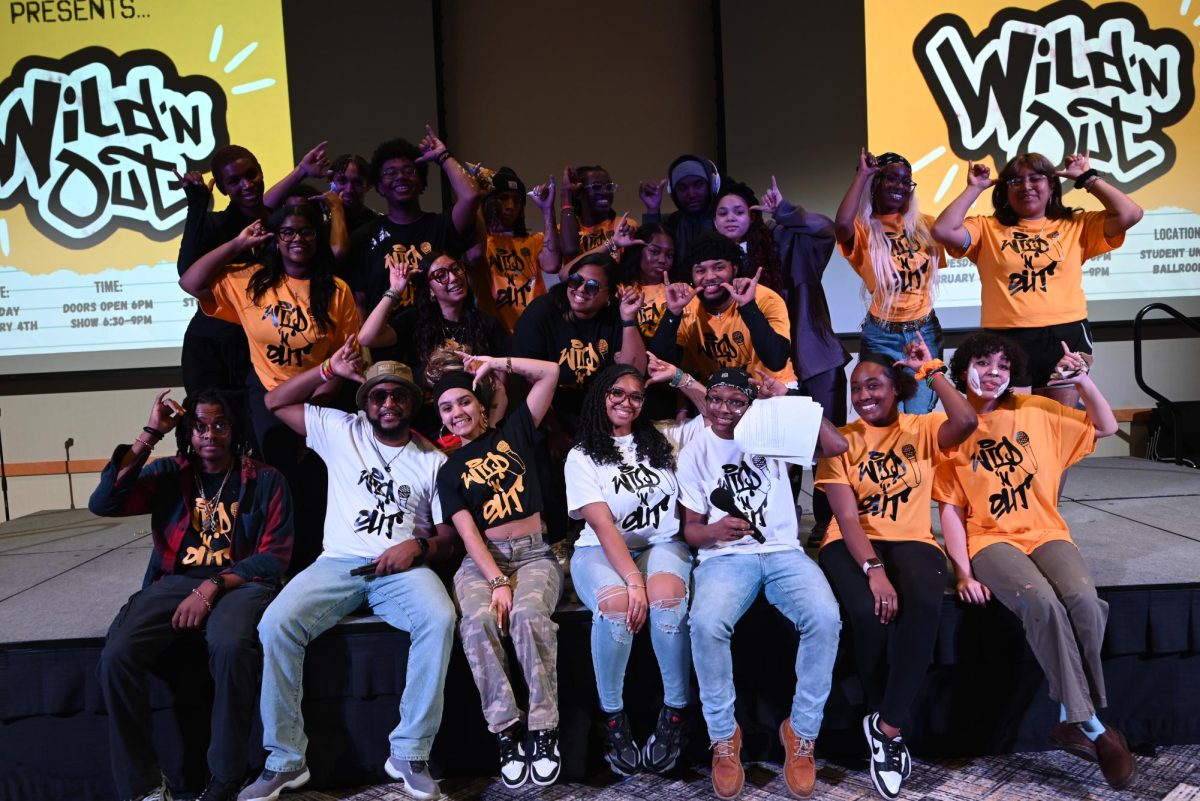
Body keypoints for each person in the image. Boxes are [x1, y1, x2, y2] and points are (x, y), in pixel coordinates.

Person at [238, 348, 458, 801]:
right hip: (337, 563)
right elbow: (274, 402)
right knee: (276, 624)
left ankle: (410, 752)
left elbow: (448, 537)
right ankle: (285, 760)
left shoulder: (432, 459)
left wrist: (417, 547)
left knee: (439, 619)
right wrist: (327, 370)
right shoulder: (343, 430)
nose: (389, 404)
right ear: (366, 403)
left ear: (413, 403)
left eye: (398, 396)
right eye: (379, 396)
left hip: (401, 571)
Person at [933, 332, 1134, 791]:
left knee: (1084, 600)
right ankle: (1095, 728)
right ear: (963, 369)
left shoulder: (1035, 412)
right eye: (982, 364)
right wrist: (963, 570)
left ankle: (1069, 716)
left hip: (1046, 532)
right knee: (1041, 604)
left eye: (1003, 367)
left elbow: (1103, 426)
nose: (992, 374)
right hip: (990, 541)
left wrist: (1083, 381)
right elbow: (949, 509)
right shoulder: (950, 427)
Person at [92, 389, 294, 801]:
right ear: (188, 431)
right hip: (173, 582)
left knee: (230, 644)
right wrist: (151, 433)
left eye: (219, 425)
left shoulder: (266, 479)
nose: (209, 434)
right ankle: (144, 787)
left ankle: (225, 777)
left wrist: (212, 586)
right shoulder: (170, 473)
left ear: (233, 429)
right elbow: (104, 501)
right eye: (200, 426)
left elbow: (273, 558)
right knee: (117, 655)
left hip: (239, 582)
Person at [814, 336, 976, 800]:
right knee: (868, 612)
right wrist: (874, 569)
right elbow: (845, 518)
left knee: (924, 605)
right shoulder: (840, 440)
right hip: (849, 543)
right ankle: (878, 716)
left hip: (912, 538)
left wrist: (933, 371)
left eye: (874, 386)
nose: (864, 396)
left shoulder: (923, 427)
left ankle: (887, 727)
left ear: (896, 388)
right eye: (857, 388)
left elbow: (966, 419)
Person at [677, 367, 847, 800]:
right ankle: (723, 737)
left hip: (781, 552)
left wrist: (787, 399)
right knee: (706, 624)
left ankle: (801, 733)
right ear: (707, 399)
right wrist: (716, 532)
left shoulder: (770, 432)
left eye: (736, 400)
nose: (724, 409)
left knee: (825, 618)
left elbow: (835, 445)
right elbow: (692, 530)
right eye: (717, 398)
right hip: (724, 556)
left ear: (749, 404)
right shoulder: (694, 450)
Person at [566, 358, 708, 776]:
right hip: (600, 549)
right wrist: (632, 581)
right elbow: (603, 525)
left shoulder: (663, 437)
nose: (627, 402)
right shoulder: (582, 455)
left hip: (662, 543)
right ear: (602, 397)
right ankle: (612, 717)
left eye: (636, 396)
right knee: (614, 609)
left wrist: (682, 377)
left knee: (667, 600)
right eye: (617, 393)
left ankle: (676, 712)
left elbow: (716, 410)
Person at [432, 353, 564, 788]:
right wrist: (495, 582)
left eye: (464, 402)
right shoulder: (448, 471)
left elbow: (550, 372)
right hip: (482, 561)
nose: (457, 413)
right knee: (478, 621)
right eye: (446, 407)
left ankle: (544, 728)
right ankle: (508, 730)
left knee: (527, 616)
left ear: (481, 404)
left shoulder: (516, 433)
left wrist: (495, 363)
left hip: (533, 555)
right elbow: (469, 535)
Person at [930, 151, 1142, 406]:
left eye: (1036, 178)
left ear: (1052, 185)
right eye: (1015, 181)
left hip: (1066, 335)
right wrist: (974, 189)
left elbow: (1131, 213)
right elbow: (942, 230)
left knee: (1061, 423)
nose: (1026, 186)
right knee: (1015, 426)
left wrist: (1087, 178)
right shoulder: (986, 228)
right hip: (1005, 338)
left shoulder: (1076, 225)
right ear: (1005, 190)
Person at [835, 150, 946, 414]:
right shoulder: (863, 229)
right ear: (876, 183)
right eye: (890, 179)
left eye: (906, 181)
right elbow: (841, 225)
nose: (899, 186)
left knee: (919, 415)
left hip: (923, 333)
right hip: (881, 336)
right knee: (879, 412)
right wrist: (862, 175)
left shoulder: (926, 225)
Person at [359, 250, 510, 440]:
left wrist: (489, 435)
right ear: (430, 290)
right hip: (426, 434)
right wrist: (396, 290)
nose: (454, 278)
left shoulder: (487, 325)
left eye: (456, 269)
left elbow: (500, 386)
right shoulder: (414, 323)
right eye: (441, 275)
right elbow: (366, 337)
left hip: (477, 430)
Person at [511, 252, 648, 438]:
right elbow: (525, 381)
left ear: (609, 295)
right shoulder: (542, 312)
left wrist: (629, 319)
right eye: (576, 280)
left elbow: (633, 374)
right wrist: (554, 433)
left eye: (592, 286)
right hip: (547, 410)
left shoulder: (617, 314)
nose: (581, 289)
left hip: (601, 412)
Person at [350, 127, 483, 317]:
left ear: (422, 181)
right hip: (387, 342)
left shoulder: (441, 225)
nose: (400, 177)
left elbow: (471, 196)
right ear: (379, 187)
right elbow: (360, 303)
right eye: (390, 172)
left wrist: (443, 156)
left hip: (441, 341)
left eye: (409, 170)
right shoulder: (364, 237)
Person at [649, 231, 797, 388]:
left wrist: (748, 307)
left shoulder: (765, 298)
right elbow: (658, 366)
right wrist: (673, 313)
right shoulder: (687, 307)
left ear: (734, 268)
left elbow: (776, 361)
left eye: (719, 267)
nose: (710, 276)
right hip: (719, 399)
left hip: (774, 390)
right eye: (700, 270)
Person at [469, 167, 562, 334]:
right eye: (503, 198)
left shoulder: (533, 240)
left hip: (534, 330)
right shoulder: (482, 243)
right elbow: (475, 255)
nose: (511, 206)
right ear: (489, 201)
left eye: (517, 200)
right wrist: (476, 197)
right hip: (494, 332)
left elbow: (552, 265)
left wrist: (547, 210)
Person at [639, 154, 720, 276]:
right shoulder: (671, 223)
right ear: (673, 193)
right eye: (682, 188)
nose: (691, 194)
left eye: (698, 185)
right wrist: (653, 209)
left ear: (712, 185)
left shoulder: (725, 221)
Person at [560, 164, 620, 261]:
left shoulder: (622, 226)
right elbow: (569, 250)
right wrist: (566, 194)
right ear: (579, 193)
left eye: (609, 187)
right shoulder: (564, 229)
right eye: (596, 187)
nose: (605, 192)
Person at [328, 153, 380, 235]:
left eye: (357, 183)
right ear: (331, 181)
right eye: (342, 181)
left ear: (369, 186)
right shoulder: (317, 219)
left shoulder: (379, 224)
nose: (349, 190)